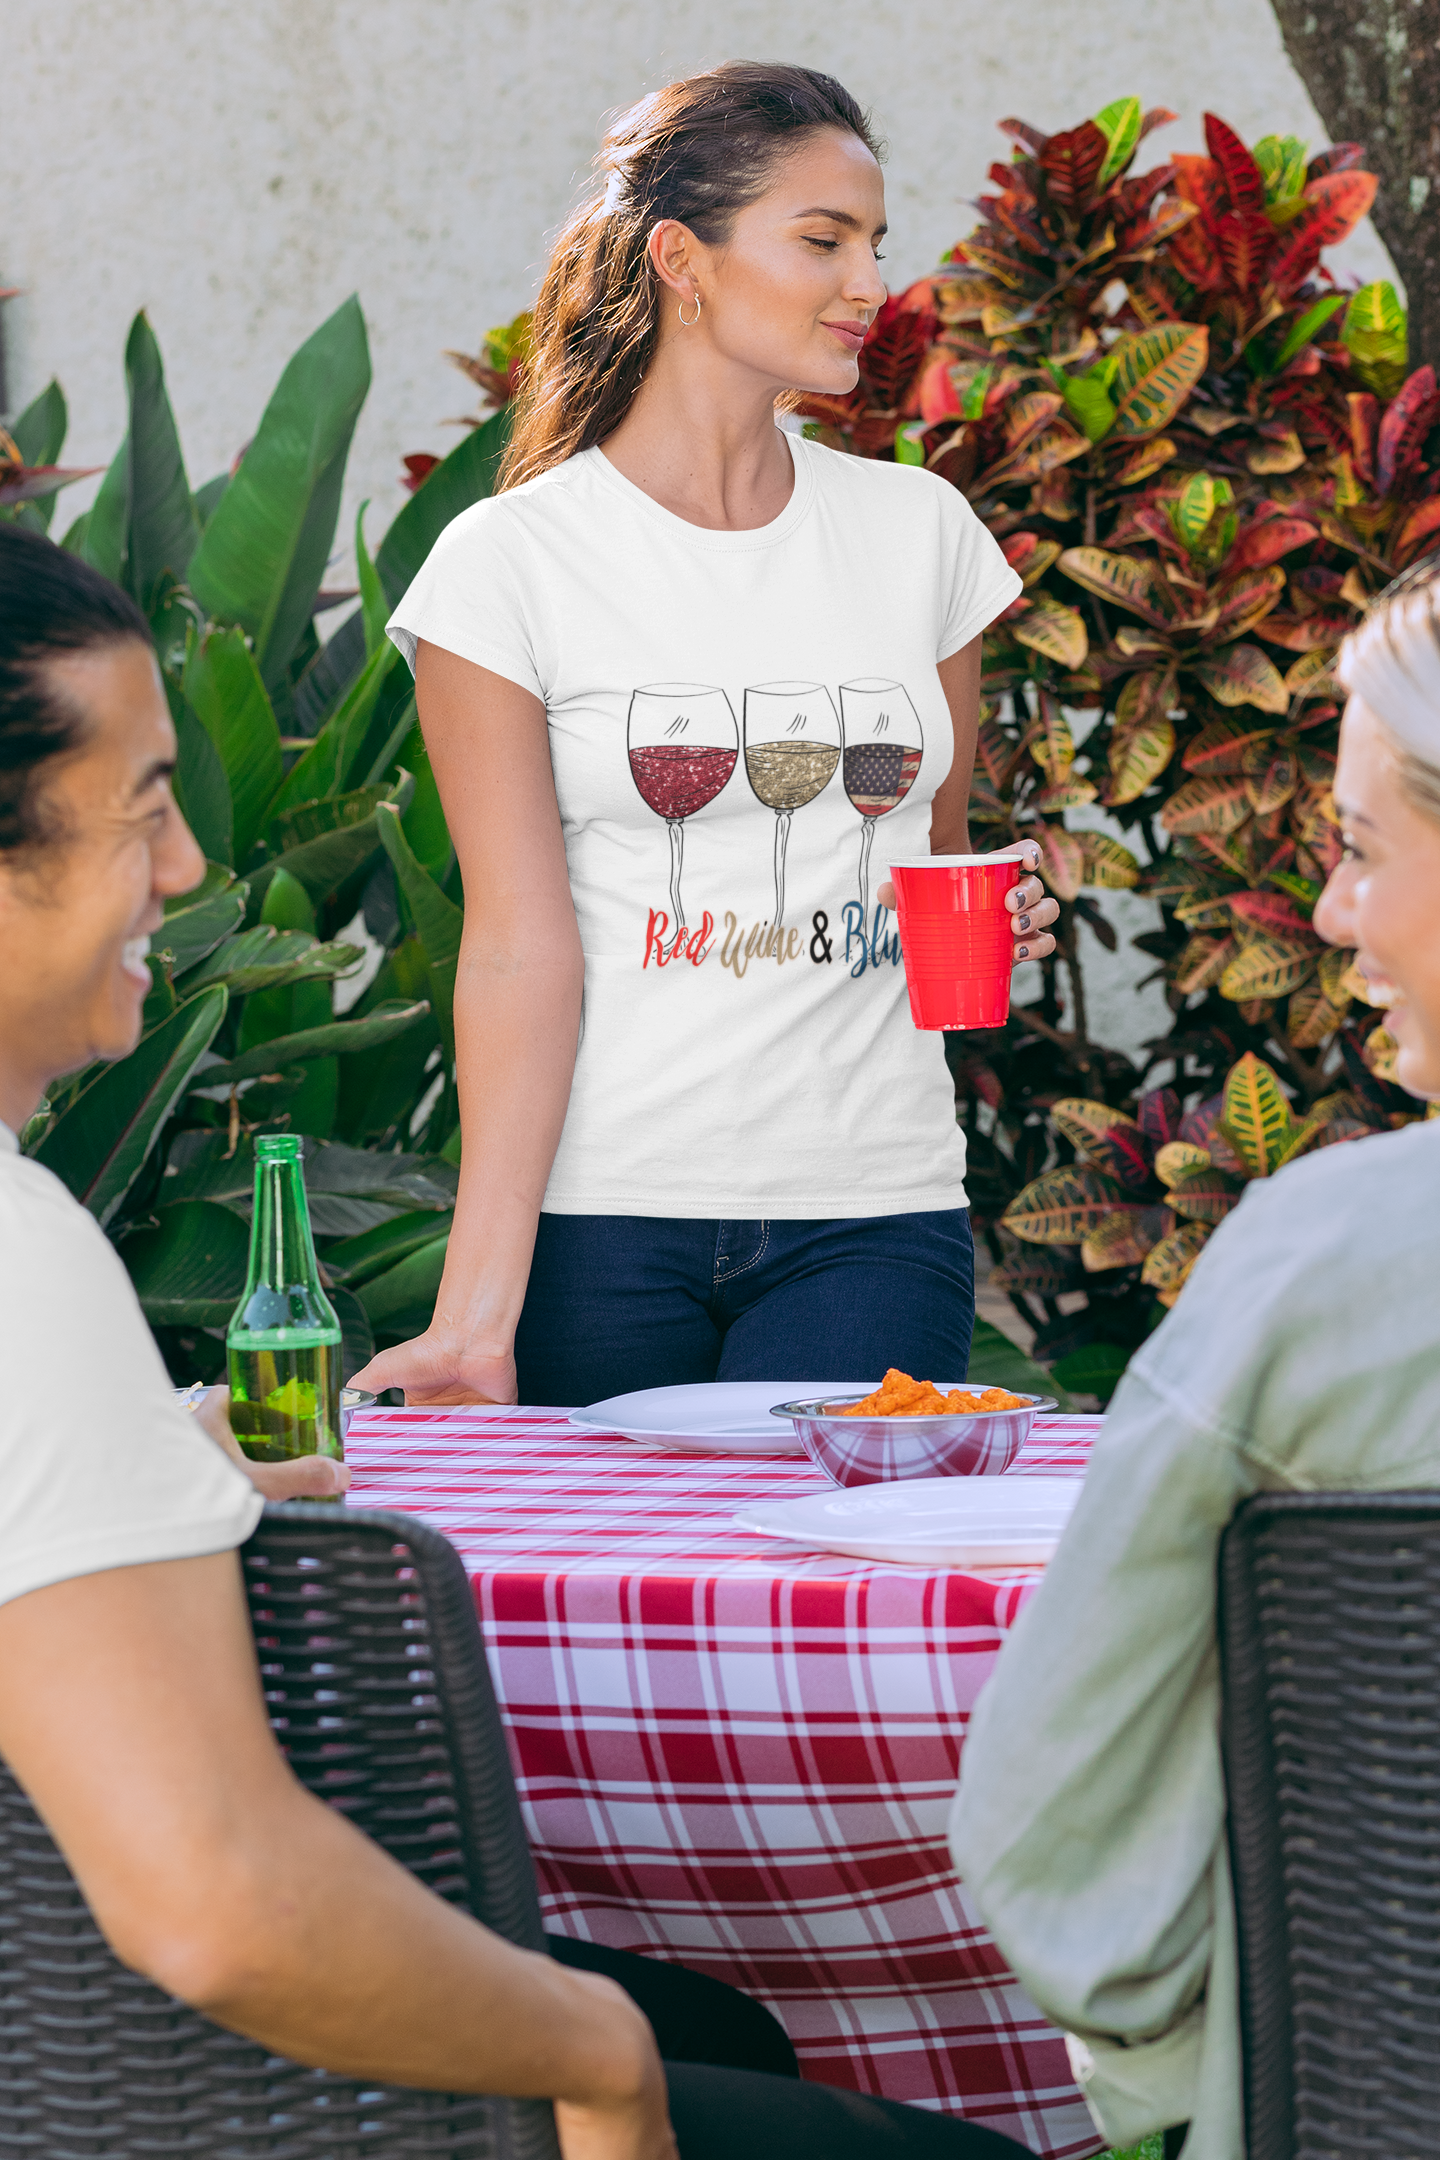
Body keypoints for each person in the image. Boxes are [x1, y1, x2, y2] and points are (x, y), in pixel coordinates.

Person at [0, 521, 1037, 2159]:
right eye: (142, 810)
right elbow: (219, 1907)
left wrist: (151, 1457)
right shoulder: (21, 1263)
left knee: (732, 2033)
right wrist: (597, 2057)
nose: (192, 866)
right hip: (198, 2093)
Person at [352, 62, 1058, 1412]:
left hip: (873, 1216)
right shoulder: (510, 565)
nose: (870, 284)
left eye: (875, 245)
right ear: (682, 258)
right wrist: (474, 1315)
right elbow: (513, 944)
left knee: (840, 1612)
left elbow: (938, 862)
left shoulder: (921, 539)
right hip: (600, 1224)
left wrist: (1008, 915)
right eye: (822, 241)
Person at [947, 564, 1440, 2160]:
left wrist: (1208, 2075)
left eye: (1362, 853)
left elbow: (1048, 1844)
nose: (1338, 915)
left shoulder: (1330, 1273)